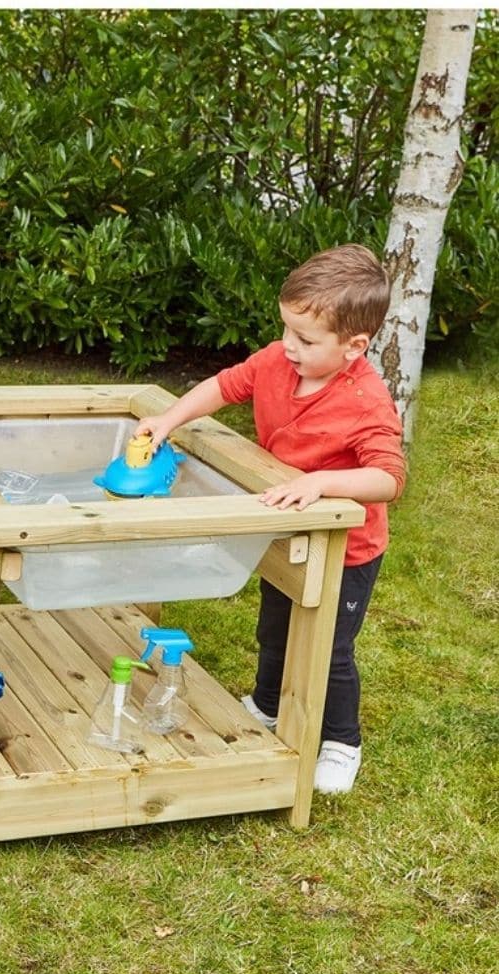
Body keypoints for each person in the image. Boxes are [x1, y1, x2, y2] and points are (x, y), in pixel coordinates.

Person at [135, 244, 407, 795]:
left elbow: (388, 479)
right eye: (286, 329)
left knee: (329, 646)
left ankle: (340, 741)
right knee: (275, 624)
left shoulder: (367, 403)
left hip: (344, 549)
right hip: (287, 529)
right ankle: (265, 703)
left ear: (354, 347)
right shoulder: (279, 362)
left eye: (306, 340)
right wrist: (170, 418)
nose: (289, 346)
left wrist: (321, 481)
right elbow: (225, 385)